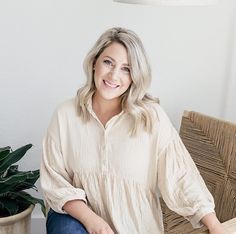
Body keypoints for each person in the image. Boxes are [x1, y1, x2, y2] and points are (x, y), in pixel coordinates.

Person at [40, 27, 228, 234]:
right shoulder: (66, 114)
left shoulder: (151, 117)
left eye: (126, 69)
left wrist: (214, 224)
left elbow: (181, 177)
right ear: (94, 62)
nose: (113, 75)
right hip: (79, 223)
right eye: (108, 62)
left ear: (134, 76)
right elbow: (55, 180)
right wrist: (94, 222)